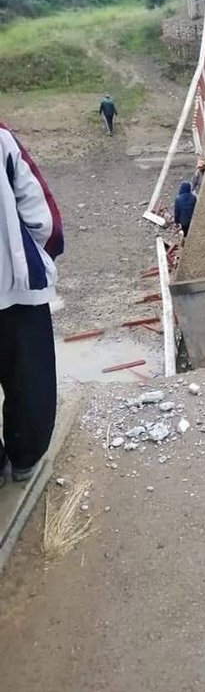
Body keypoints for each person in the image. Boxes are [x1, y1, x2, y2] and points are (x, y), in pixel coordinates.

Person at [0, 122, 64, 487]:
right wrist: (38, 259)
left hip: (15, 285)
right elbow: (41, 212)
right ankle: (24, 461)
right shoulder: (1, 138)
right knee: (29, 380)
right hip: (14, 288)